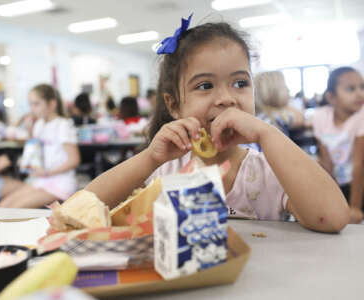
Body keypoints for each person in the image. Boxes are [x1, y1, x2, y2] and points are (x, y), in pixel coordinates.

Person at [83, 17, 349, 232]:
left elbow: (333, 218)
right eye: (205, 85)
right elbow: (84, 211)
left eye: (240, 83)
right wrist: (150, 158)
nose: (226, 99)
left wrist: (267, 134)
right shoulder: (163, 172)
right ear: (174, 105)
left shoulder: (268, 170)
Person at [0, 84, 80, 208]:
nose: (32, 109)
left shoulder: (63, 125)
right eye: (30, 104)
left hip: (60, 182)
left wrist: (47, 172)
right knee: (3, 205)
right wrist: (30, 130)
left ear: (52, 104)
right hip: (42, 179)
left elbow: (74, 160)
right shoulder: (39, 124)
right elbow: (35, 150)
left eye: (36, 104)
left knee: (12, 208)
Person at [312, 67, 364, 223]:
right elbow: (326, 161)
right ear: (331, 97)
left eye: (362, 87)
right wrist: (333, 201)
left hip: (359, 183)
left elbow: (359, 165)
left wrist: (354, 207)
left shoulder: (361, 116)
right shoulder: (321, 116)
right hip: (338, 181)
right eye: (350, 89)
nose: (359, 93)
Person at [255, 71, 305, 136]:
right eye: (284, 86)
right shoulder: (277, 116)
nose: (288, 90)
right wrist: (285, 104)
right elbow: (300, 118)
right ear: (275, 92)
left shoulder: (262, 116)